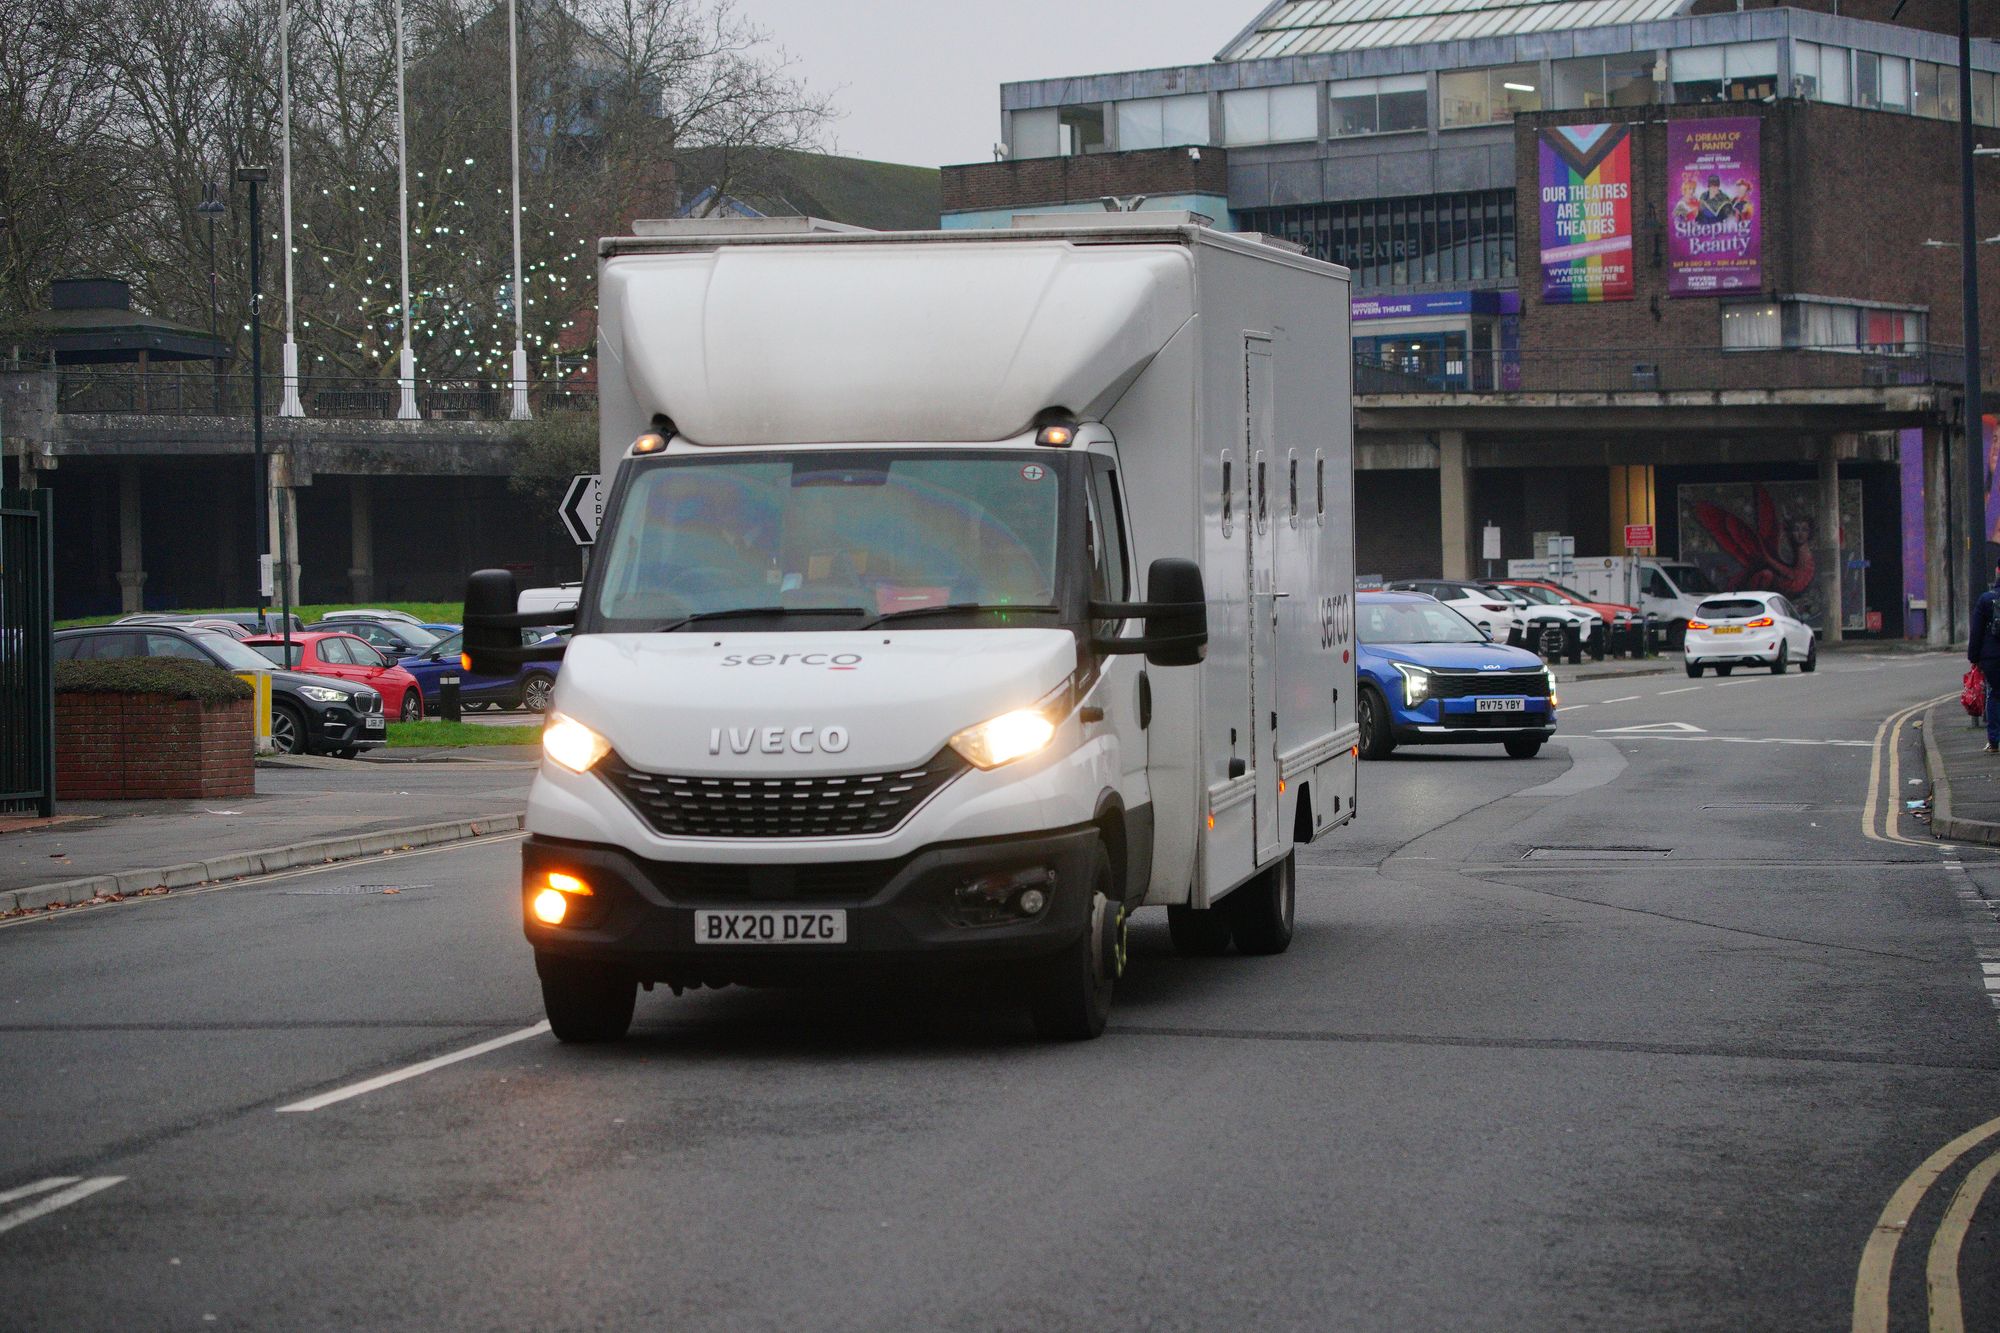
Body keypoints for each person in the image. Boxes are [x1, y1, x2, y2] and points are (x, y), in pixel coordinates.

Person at [1969, 557, 2000, 752]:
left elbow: (1977, 632)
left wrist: (1974, 658)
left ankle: (1995, 741)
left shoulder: (1986, 600)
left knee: (1995, 695)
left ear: (1997, 571)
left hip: (1992, 657)